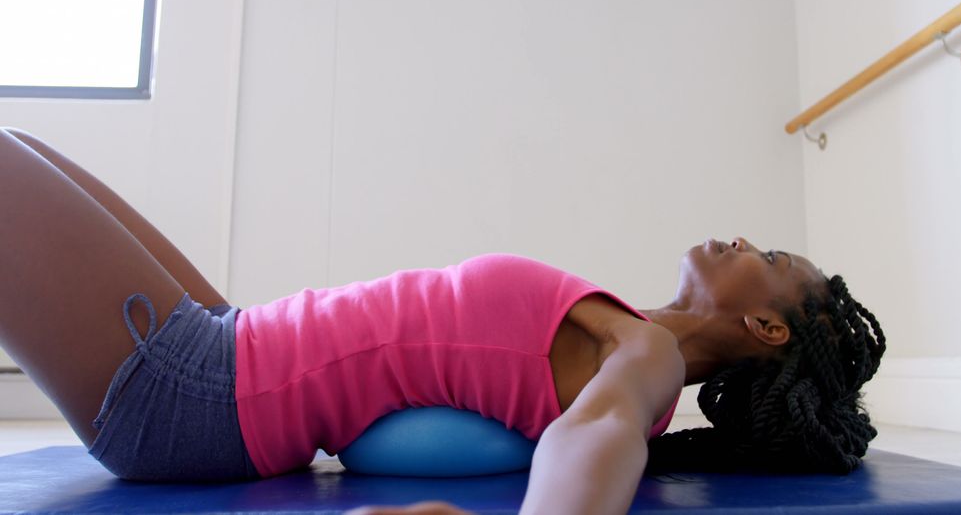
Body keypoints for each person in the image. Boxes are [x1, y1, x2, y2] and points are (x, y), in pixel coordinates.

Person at [0, 126, 885, 515]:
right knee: (29, 149)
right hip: (232, 344)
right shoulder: (622, 329)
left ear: (770, 331)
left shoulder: (642, 356)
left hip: (196, 391)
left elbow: (597, 436)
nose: (741, 240)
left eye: (766, 260)